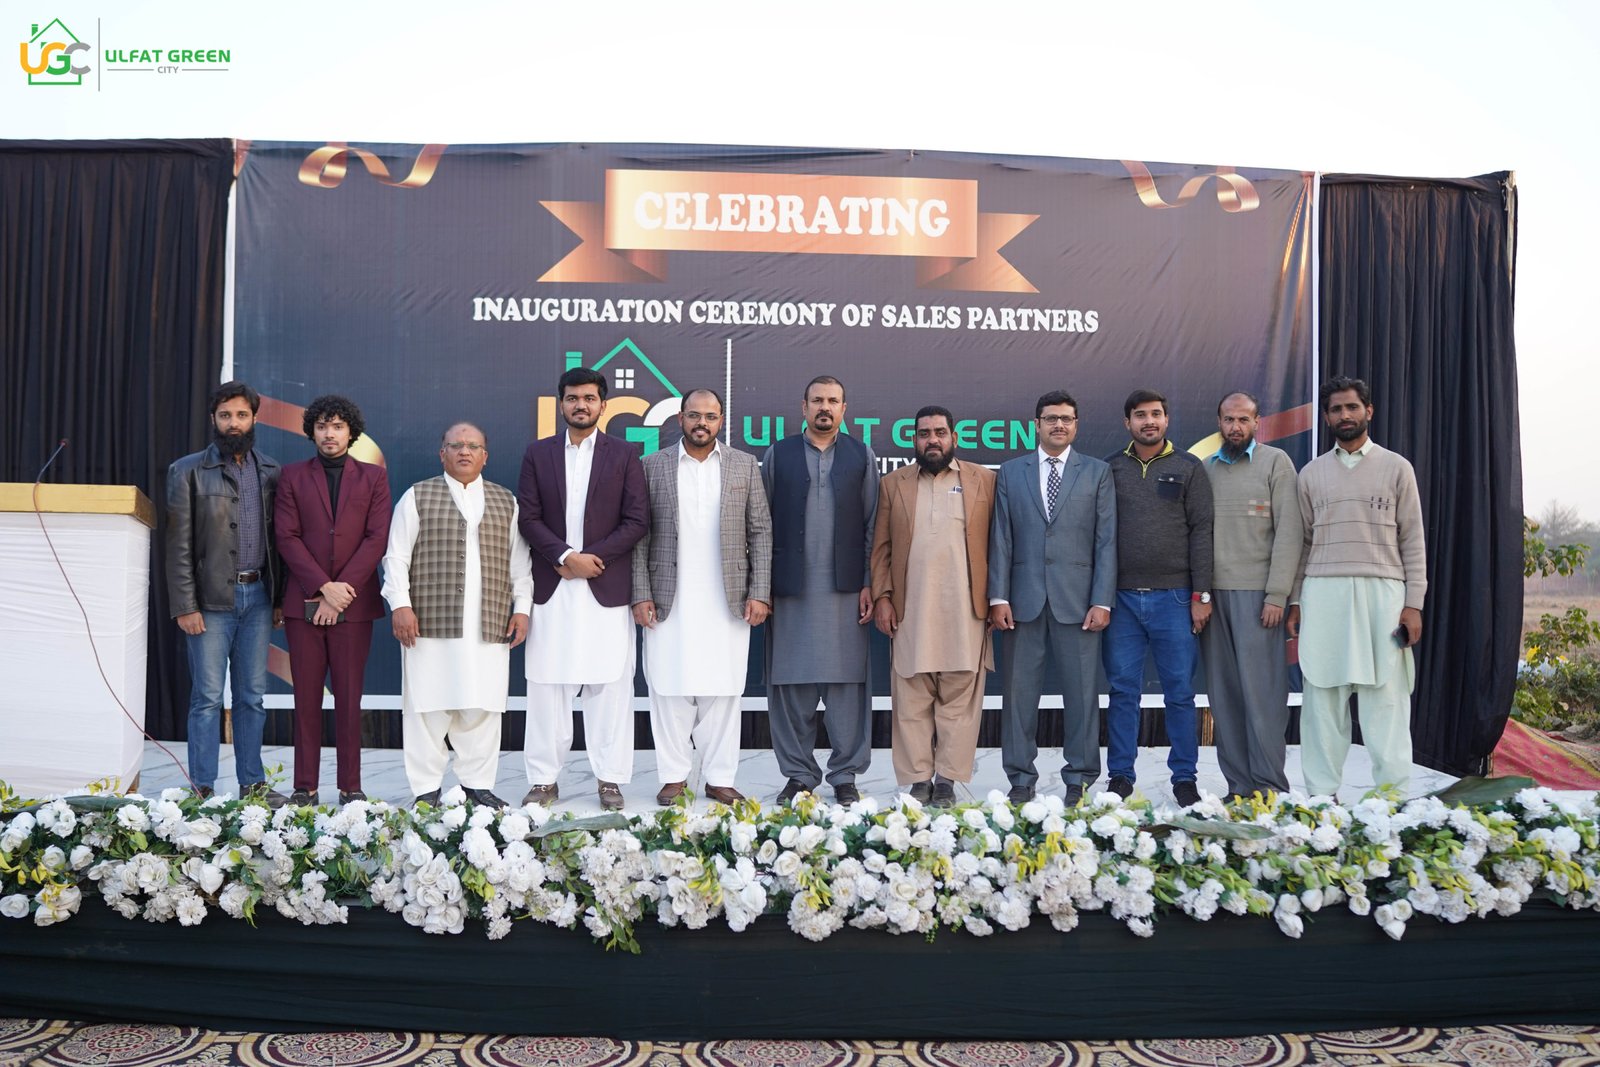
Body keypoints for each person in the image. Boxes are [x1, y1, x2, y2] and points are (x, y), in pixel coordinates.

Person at [632, 388, 773, 806]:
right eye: (694, 415)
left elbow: (760, 530)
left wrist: (760, 591)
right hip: (667, 595)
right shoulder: (651, 466)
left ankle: (719, 778)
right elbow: (639, 535)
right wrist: (640, 592)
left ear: (721, 421)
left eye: (710, 417)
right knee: (668, 687)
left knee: (724, 690)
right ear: (680, 419)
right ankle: (674, 777)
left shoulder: (743, 465)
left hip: (728, 597)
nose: (702, 423)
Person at [1287, 376, 1426, 797]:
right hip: (1322, 593)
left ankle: (1392, 800)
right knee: (1322, 700)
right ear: (1326, 417)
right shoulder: (1311, 474)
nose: (1344, 415)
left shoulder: (1397, 468)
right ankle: (1320, 798)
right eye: (1336, 409)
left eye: (1352, 407)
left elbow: (1413, 539)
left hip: (1384, 595)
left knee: (1387, 699)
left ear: (1369, 411)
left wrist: (1414, 604)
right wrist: (1295, 600)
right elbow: (1302, 544)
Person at [518, 368, 649, 811]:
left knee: (609, 687)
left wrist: (591, 558)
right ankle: (543, 780)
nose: (581, 405)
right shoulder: (538, 454)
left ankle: (610, 780)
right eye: (573, 398)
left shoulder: (625, 454)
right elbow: (528, 517)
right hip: (552, 584)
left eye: (589, 398)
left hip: (604, 584)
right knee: (546, 687)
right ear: (561, 404)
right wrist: (564, 556)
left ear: (603, 405)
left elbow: (637, 520)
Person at [382, 422, 530, 806]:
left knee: (482, 706)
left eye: (473, 446)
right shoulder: (417, 496)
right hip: (428, 622)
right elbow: (396, 557)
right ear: (442, 453)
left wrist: (522, 609)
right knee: (427, 707)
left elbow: (520, 565)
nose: (465, 451)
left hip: (489, 620)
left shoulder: (507, 501)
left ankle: (477, 786)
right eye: (456, 445)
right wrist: (400, 605)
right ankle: (426, 790)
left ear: (485, 456)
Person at [988, 390, 1117, 806]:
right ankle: (1020, 778)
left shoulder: (1097, 472)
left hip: (1079, 604)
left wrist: (1102, 600)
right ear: (1036, 425)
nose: (1058, 425)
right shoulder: (1011, 472)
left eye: (1066, 418)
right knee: (1018, 697)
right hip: (1022, 602)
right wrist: (998, 596)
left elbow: (1106, 541)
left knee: (1082, 696)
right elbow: (1001, 537)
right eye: (1050, 418)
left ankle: (1079, 778)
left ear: (1076, 425)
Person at [165, 380, 286, 804]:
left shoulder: (271, 471)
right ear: (213, 419)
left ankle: (253, 785)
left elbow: (280, 543)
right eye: (225, 415)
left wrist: (279, 600)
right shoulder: (187, 471)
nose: (234, 423)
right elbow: (177, 546)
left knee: (252, 698)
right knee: (207, 699)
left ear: (254, 419)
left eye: (241, 415)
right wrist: (185, 605)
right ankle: (202, 788)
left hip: (259, 599)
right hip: (210, 603)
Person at [762, 375, 881, 806]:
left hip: (846, 590)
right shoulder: (779, 454)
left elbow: (873, 524)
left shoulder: (861, 455)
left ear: (844, 409)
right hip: (790, 590)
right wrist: (762, 586)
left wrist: (869, 582)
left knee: (848, 686)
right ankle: (798, 775)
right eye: (817, 400)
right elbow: (761, 524)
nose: (824, 407)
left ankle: (845, 775)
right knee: (790, 685)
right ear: (804, 406)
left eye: (832, 401)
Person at [871, 406, 996, 805]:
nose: (932, 440)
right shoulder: (894, 484)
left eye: (940, 432)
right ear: (914, 440)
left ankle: (947, 779)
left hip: (966, 609)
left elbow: (1001, 545)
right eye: (924, 433)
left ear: (954, 437)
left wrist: (998, 599)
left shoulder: (983, 480)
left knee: (960, 699)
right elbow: (881, 549)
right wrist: (883, 597)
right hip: (911, 609)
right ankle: (918, 779)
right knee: (911, 697)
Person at [275, 394, 392, 806]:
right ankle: (304, 786)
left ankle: (350, 786)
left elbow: (376, 538)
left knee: (349, 697)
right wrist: (324, 586)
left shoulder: (373, 478)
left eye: (338, 426)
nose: (330, 433)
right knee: (305, 698)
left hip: (354, 606)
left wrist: (340, 593)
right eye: (322, 426)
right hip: (303, 604)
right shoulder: (291, 476)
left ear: (350, 432)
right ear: (312, 431)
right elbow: (286, 537)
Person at [1102, 389, 1214, 808]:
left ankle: (1184, 778)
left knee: (1180, 693)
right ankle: (1120, 777)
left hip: (1176, 599)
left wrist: (1202, 594)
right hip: (1122, 601)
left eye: (1155, 414)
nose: (1148, 421)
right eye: (1140, 415)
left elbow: (1202, 531)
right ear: (1127, 422)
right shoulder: (1110, 468)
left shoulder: (1189, 467)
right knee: (1122, 692)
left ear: (1166, 420)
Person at [1200, 391, 1302, 800]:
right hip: (1213, 598)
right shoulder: (1206, 469)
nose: (1235, 427)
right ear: (1219, 422)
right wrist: (1201, 595)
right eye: (1228, 419)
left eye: (1243, 419)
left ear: (1257, 422)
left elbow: (1290, 532)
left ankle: (1269, 787)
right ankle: (1239, 787)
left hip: (1259, 599)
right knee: (1224, 698)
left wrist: (1278, 595)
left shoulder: (1277, 463)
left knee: (1263, 697)